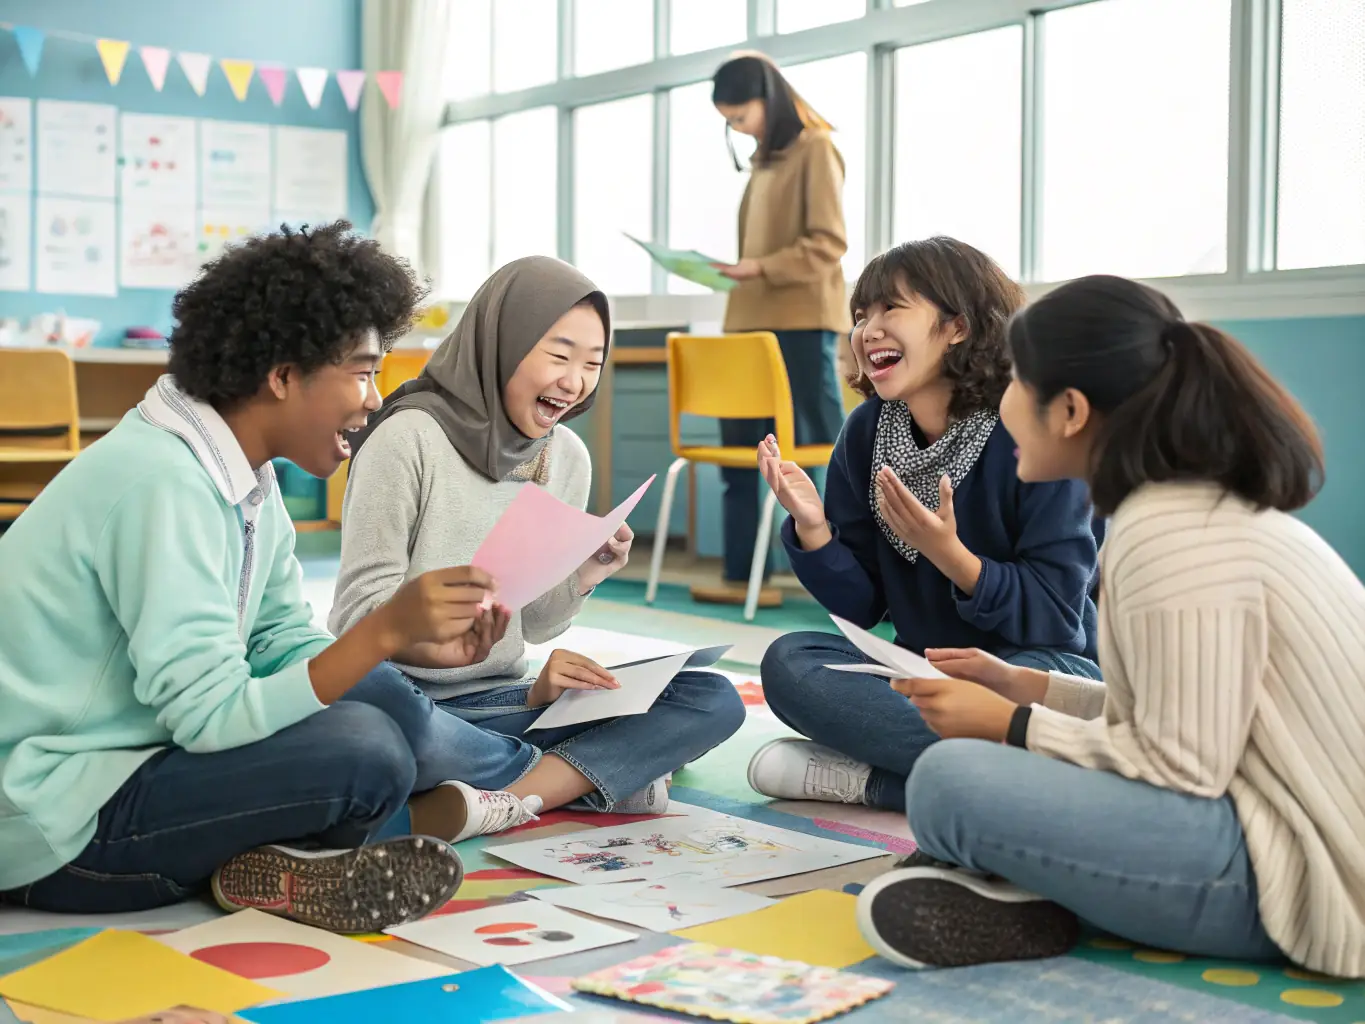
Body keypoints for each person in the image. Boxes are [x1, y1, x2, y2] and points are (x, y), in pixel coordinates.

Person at [0, 222, 535, 933]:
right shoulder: (163, 483)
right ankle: (536, 775)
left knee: (378, 697)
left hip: (131, 762)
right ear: (282, 375)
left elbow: (277, 637)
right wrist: (379, 631)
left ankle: (285, 858)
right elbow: (210, 715)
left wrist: (398, 649)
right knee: (365, 752)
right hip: (56, 825)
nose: (375, 398)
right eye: (362, 371)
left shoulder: (238, 472)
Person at [854, 275, 1365, 979]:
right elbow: (1179, 721)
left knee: (948, 782)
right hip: (1278, 828)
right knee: (963, 773)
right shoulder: (1187, 508)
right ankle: (1035, 890)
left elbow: (1180, 767)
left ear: (1067, 410)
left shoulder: (1167, 533)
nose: (1000, 403)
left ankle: (1046, 895)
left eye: (1014, 381)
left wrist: (1011, 724)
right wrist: (1029, 686)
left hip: (1305, 880)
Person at [332, 256, 746, 818]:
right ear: (502, 341)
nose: (575, 381)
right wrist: (437, 634)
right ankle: (588, 776)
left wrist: (584, 573)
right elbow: (357, 620)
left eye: (593, 363)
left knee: (711, 698)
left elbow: (538, 624)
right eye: (558, 354)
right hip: (406, 700)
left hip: (505, 702)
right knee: (379, 734)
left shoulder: (565, 456)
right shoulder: (407, 438)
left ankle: (508, 794)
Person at [747, 238, 1102, 812]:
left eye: (892, 309)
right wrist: (814, 529)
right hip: (920, 670)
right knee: (790, 662)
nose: (869, 330)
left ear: (957, 326)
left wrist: (949, 555)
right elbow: (863, 609)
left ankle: (879, 784)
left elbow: (1059, 620)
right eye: (862, 316)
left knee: (1043, 697)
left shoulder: (1027, 428)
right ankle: (1015, 779)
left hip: (1030, 667)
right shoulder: (866, 432)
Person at [697, 52, 851, 609]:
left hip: (802, 323)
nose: (738, 128)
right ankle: (743, 574)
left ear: (769, 98)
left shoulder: (816, 148)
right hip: (747, 325)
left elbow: (828, 244)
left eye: (741, 116)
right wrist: (745, 269)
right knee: (740, 455)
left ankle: (849, 570)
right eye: (730, 121)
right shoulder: (765, 160)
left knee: (825, 451)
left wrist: (758, 267)